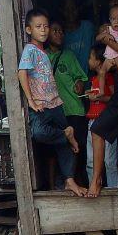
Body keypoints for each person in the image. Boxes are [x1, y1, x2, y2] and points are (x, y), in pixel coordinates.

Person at [17, 8, 85, 197]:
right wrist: (31, 100)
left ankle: (69, 180)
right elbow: (22, 73)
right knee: (39, 133)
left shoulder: (44, 52)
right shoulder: (30, 50)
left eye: (46, 26)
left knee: (65, 147)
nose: (44, 30)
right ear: (29, 30)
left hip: (56, 103)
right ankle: (66, 134)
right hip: (41, 105)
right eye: (38, 27)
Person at [47, 20, 89, 187]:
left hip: (74, 109)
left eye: (61, 31)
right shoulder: (43, 57)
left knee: (77, 148)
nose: (59, 34)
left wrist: (79, 83)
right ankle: (52, 186)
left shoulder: (69, 55)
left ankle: (76, 182)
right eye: (55, 30)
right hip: (55, 111)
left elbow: (80, 78)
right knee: (54, 150)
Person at [88, 61, 118, 198]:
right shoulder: (99, 76)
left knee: (110, 160)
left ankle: (105, 184)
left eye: (91, 57)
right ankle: (96, 181)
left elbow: (110, 96)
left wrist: (106, 39)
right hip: (95, 116)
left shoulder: (112, 75)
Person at [85, 46, 118, 188]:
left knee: (109, 160)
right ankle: (94, 184)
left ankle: (114, 189)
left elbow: (113, 98)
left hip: (107, 121)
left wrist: (100, 97)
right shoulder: (93, 79)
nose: (88, 61)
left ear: (99, 61)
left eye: (90, 57)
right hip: (92, 121)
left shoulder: (109, 78)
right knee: (91, 160)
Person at [61, 0, 94, 76]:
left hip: (90, 78)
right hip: (70, 83)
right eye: (67, 9)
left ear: (78, 9)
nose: (70, 12)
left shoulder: (88, 27)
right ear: (62, 11)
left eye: (73, 8)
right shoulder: (60, 34)